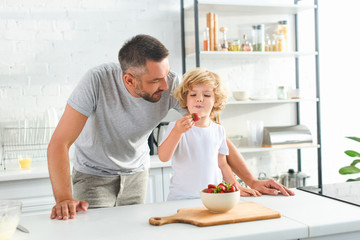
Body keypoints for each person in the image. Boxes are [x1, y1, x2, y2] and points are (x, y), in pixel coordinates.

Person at [47, 34, 294, 221]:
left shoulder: (170, 83)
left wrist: (250, 180)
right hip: (94, 176)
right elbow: (59, 143)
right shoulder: (97, 81)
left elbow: (211, 132)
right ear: (129, 80)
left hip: (136, 175)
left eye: (166, 75)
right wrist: (64, 198)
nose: (166, 86)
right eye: (156, 80)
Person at [158, 68, 259, 200]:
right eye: (193, 95)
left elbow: (222, 163)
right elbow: (164, 157)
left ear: (216, 100)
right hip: (181, 197)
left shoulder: (218, 130)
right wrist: (177, 132)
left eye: (206, 95)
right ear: (185, 99)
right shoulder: (176, 127)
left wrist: (236, 186)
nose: (199, 99)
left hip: (213, 197)